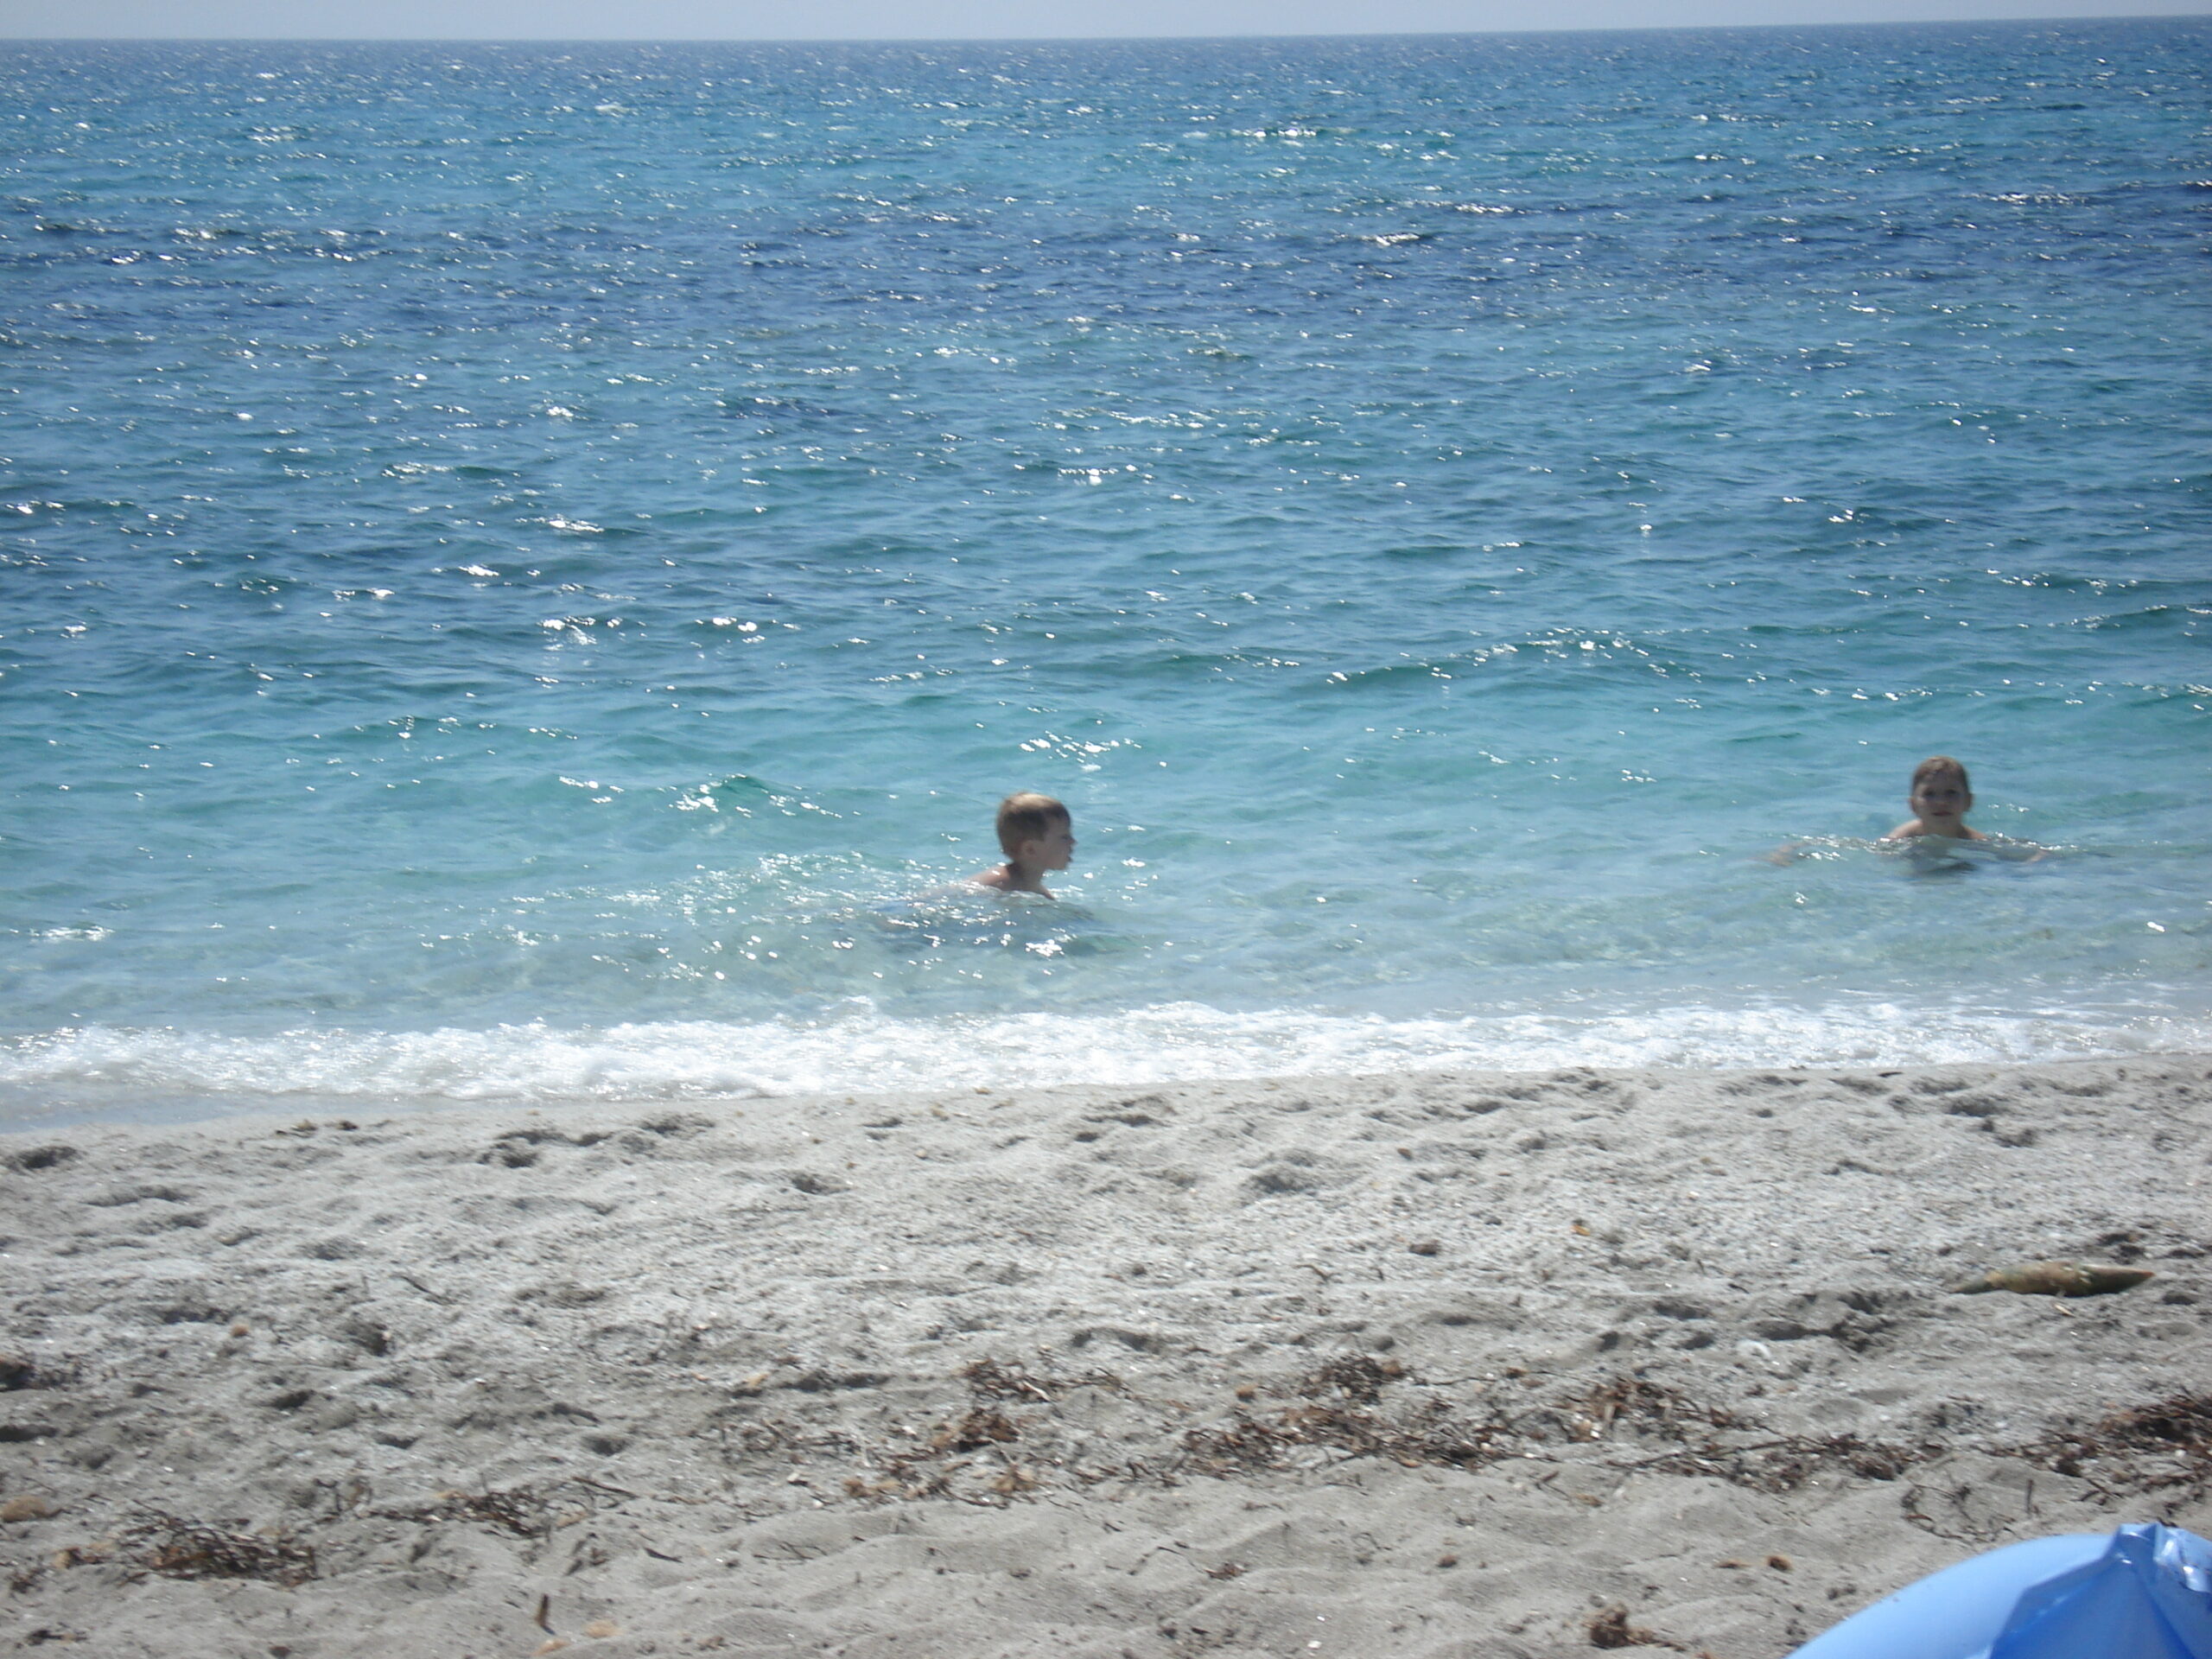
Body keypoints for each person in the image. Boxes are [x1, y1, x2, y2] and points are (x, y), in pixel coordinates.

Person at [970, 792, 1076, 896]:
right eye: (1064, 837)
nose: (1073, 842)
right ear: (1030, 849)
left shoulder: (1039, 892)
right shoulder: (999, 885)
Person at [1883, 754, 1986, 843]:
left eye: (1951, 793)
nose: (1941, 802)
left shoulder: (1980, 843)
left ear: (1968, 801)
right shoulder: (1899, 839)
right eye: (1929, 794)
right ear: (1913, 805)